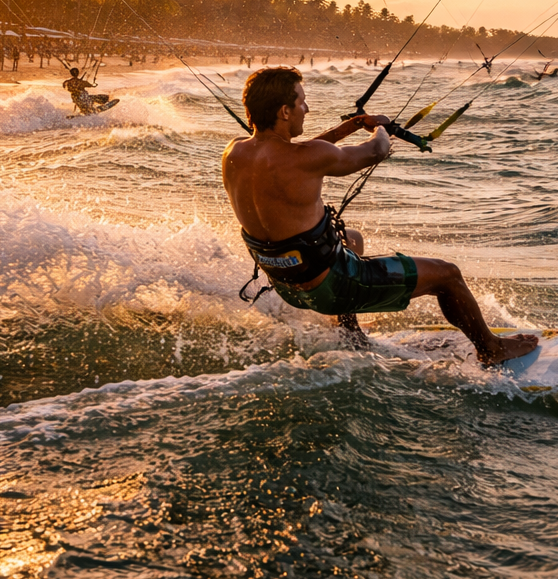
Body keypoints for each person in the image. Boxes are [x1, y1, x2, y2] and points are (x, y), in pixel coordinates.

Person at [221, 66, 538, 366]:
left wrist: (350, 127)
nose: (307, 108)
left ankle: (349, 331)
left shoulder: (234, 152)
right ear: (284, 111)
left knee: (352, 239)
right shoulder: (305, 157)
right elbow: (376, 150)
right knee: (448, 275)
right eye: (301, 102)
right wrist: (380, 129)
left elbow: (302, 152)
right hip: (330, 288)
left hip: (287, 285)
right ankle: (491, 348)